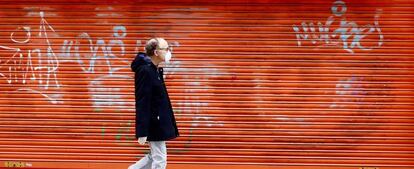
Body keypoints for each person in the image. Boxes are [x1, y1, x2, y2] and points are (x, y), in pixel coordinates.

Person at [129, 38, 179, 169]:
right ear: (156, 53)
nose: (169, 52)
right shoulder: (145, 71)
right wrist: (142, 130)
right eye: (166, 49)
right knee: (160, 159)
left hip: (158, 121)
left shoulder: (155, 69)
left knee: (155, 155)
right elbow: (142, 101)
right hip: (154, 122)